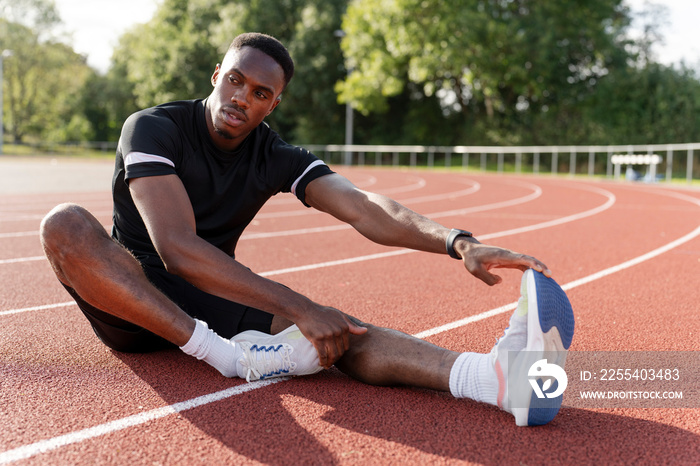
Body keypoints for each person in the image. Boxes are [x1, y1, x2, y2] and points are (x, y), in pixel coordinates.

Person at [40, 33, 574, 427]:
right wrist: (298, 307)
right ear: (216, 76)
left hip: (207, 294)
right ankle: (229, 357)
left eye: (259, 92)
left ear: (274, 102)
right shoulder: (154, 127)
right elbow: (175, 249)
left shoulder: (273, 154)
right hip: (129, 302)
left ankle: (498, 381)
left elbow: (364, 207)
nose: (241, 97)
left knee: (342, 331)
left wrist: (459, 242)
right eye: (234, 80)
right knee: (64, 224)